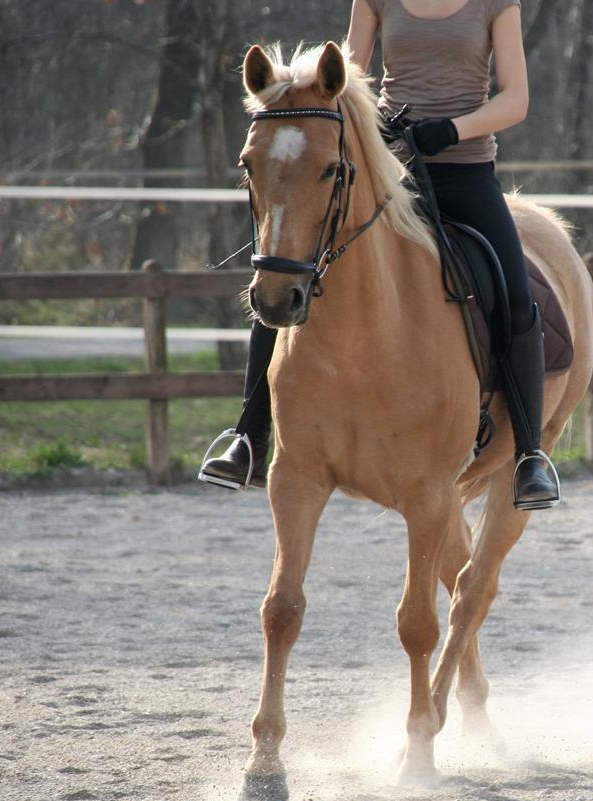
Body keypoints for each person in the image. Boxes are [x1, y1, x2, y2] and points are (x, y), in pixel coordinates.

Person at [199, 0, 560, 510]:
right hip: (389, 165)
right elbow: (347, 79)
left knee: (515, 294)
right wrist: (375, 131)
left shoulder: (495, 4)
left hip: (465, 169)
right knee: (287, 270)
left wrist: (451, 130)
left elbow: (516, 100)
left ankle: (528, 455)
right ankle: (248, 436)